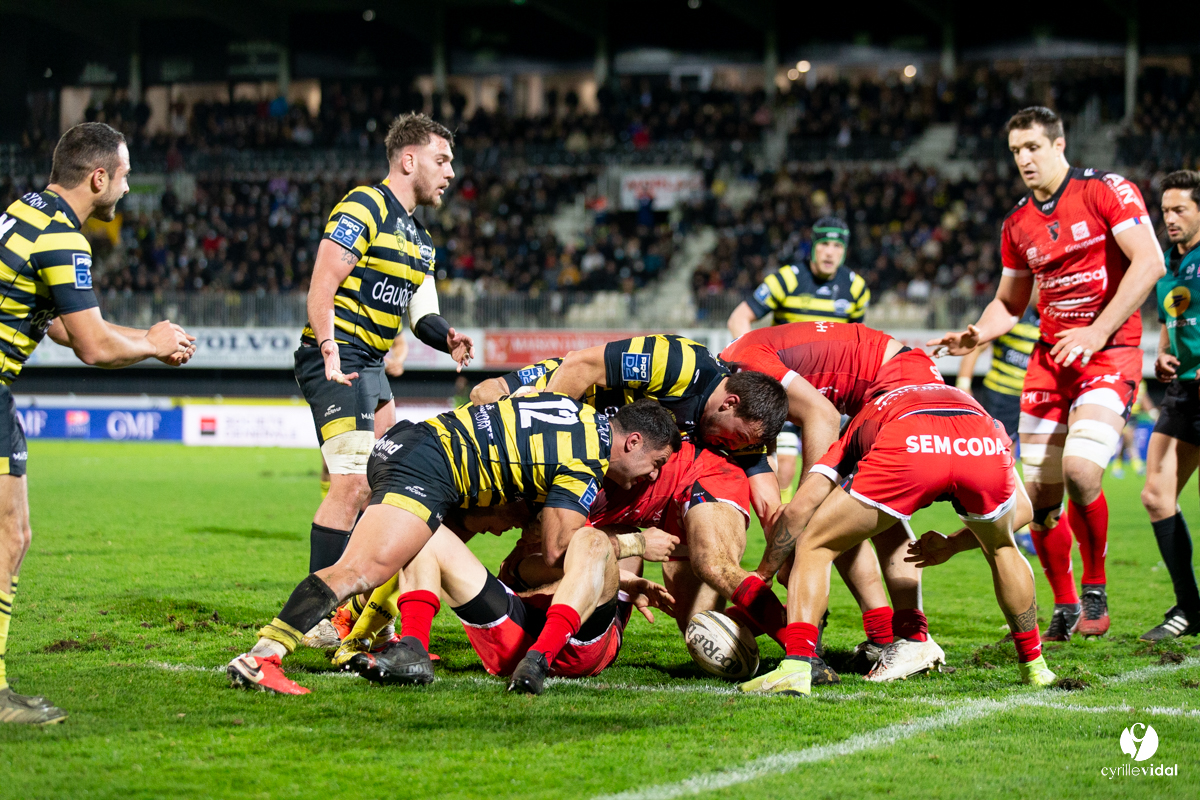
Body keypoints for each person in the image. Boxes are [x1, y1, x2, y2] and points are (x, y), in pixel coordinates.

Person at [226, 396, 680, 694]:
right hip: (428, 466)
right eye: (656, 462)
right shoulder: (587, 457)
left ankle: (409, 649)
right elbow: (562, 551)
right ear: (633, 441)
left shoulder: (571, 411)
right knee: (360, 571)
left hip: (418, 448)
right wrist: (634, 544)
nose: (655, 475)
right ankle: (264, 657)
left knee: (418, 544)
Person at [928, 106, 1165, 642]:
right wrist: (977, 334)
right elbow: (1008, 304)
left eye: (1033, 147)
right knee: (1037, 494)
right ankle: (1064, 605)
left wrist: (1097, 332)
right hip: (1051, 361)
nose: (1024, 160)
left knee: (1083, 472)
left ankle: (1096, 587)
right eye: (1016, 151)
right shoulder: (1017, 223)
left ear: (1059, 145)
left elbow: (1149, 262)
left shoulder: (1108, 190)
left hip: (1110, 352)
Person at [0, 122, 197, 724]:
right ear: (98, 177)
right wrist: (153, 342)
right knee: (11, 536)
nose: (129, 186)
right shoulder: (63, 236)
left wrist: (145, 340)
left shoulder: (22, 210)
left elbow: (55, 321)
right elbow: (90, 346)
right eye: (126, 174)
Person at [741, 383, 1055, 696]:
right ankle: (1035, 667)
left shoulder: (858, 425)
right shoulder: (965, 402)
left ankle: (797, 666)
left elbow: (800, 509)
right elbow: (1023, 512)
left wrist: (765, 572)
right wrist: (954, 543)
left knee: (816, 544)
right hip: (979, 440)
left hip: (909, 440)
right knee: (1001, 548)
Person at [296, 113, 474, 579]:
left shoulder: (422, 240)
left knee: (385, 483)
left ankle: (363, 607)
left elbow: (422, 316)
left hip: (370, 363)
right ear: (409, 160)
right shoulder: (364, 206)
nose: (451, 172)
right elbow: (322, 284)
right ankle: (317, 612)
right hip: (338, 356)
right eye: (442, 160)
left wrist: (447, 337)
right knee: (351, 484)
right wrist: (329, 347)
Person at [721, 321, 947, 676]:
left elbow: (821, 413)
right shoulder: (745, 372)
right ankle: (887, 637)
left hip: (899, 382)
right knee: (858, 517)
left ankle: (904, 639)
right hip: (898, 379)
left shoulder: (747, 363)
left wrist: (809, 501)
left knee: (829, 516)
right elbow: (768, 442)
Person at [334, 513, 677, 695]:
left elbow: (585, 560)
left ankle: (539, 658)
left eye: (536, 520)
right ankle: (413, 650)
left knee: (594, 540)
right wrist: (637, 548)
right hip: (517, 640)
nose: (517, 528)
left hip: (579, 646)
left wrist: (626, 575)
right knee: (425, 530)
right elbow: (563, 570)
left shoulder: (580, 533)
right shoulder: (526, 560)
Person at [479, 335, 789, 527]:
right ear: (730, 403)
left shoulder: (741, 428)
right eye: (738, 438)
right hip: (553, 401)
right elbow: (577, 366)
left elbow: (768, 505)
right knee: (497, 510)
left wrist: (782, 558)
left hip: (600, 454)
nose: (733, 446)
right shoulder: (679, 363)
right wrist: (543, 431)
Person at [726, 217, 869, 502]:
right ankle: (783, 524)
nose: (830, 252)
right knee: (787, 465)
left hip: (830, 391)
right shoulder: (787, 279)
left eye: (837, 246)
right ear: (813, 246)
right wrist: (756, 365)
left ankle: (799, 525)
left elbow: (856, 342)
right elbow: (739, 318)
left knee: (824, 467)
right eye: (825, 244)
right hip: (787, 384)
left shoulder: (856, 289)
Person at [1140, 169, 1200, 642]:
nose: (1170, 219)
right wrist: (1161, 354)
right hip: (1182, 391)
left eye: (1180, 209)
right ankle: (1188, 608)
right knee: (1156, 495)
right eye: (1165, 211)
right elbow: (1171, 319)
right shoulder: (1169, 264)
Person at [956, 306, 1041, 556]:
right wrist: (963, 384)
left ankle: (1034, 522)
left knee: (1039, 463)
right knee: (1005, 461)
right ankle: (1016, 526)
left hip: (1034, 398)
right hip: (1001, 397)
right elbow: (976, 346)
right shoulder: (1013, 313)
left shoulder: (1052, 316)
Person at [1112, 381, 1154, 479]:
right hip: (1124, 413)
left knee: (1126, 441)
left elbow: (1144, 398)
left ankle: (1117, 466)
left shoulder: (1142, 383)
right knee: (1129, 438)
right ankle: (1138, 465)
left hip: (1135, 415)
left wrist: (1152, 412)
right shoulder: (1126, 380)